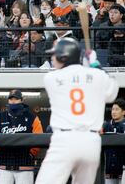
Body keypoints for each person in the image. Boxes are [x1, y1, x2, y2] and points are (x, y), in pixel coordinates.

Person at [36, 38, 119, 183]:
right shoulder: (97, 75)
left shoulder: (51, 77)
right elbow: (112, 92)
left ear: (64, 56)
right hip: (91, 142)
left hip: (64, 140)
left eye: (55, 54)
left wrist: (88, 69)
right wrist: (95, 64)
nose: (52, 58)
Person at [0, 89, 43, 184]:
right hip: (5, 164)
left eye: (16, 99)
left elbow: (39, 137)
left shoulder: (32, 117)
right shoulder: (0, 116)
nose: (13, 101)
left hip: (25, 165)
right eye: (11, 99)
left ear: (21, 100)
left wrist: (31, 154)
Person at [102, 98, 125, 184]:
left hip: (123, 169)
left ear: (123, 112)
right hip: (109, 170)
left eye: (117, 109)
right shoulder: (106, 125)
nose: (113, 112)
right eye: (112, 109)